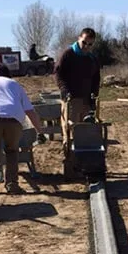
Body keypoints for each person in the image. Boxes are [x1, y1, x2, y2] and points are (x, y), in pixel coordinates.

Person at [0, 64, 44, 195]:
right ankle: (12, 184)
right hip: (14, 119)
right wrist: (40, 131)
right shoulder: (15, 85)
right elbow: (30, 111)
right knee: (12, 151)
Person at [54, 27, 100, 162]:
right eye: (84, 42)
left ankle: (83, 162)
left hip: (85, 100)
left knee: (85, 132)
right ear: (79, 38)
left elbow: (96, 78)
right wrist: (64, 89)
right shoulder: (68, 54)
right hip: (71, 100)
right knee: (70, 130)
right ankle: (69, 161)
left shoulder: (92, 58)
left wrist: (93, 96)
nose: (86, 46)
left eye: (90, 44)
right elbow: (57, 73)